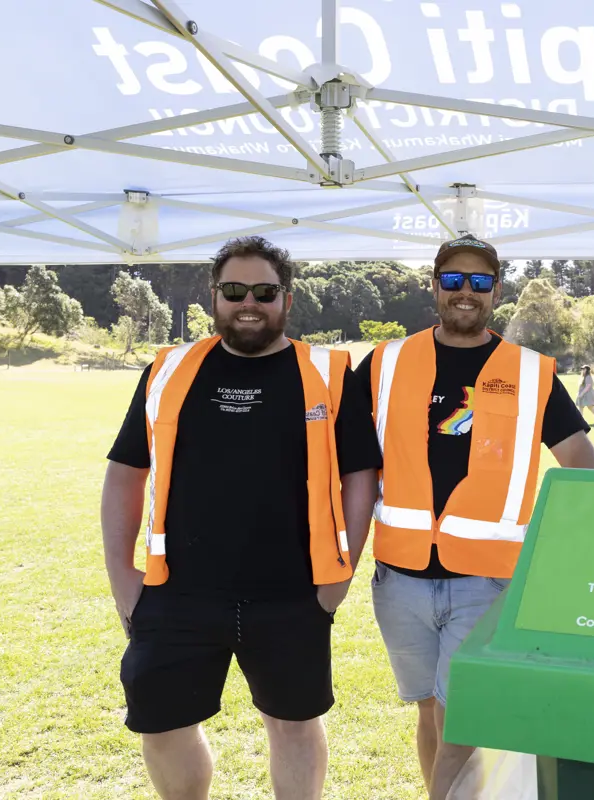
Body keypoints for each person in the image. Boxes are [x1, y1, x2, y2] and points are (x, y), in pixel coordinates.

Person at [101, 236, 380, 800]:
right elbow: (126, 471)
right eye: (234, 290)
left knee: (294, 724)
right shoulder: (168, 368)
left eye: (263, 291)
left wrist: (341, 572)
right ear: (214, 297)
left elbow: (361, 475)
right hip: (176, 591)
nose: (248, 302)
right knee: (160, 722)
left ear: (287, 299)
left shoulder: (329, 372)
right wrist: (120, 575)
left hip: (292, 593)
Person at [353, 234, 594, 799]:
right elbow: (350, 462)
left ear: (496, 292)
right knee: (430, 714)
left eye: (480, 282)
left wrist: (562, 552)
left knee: (460, 725)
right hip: (400, 580)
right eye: (454, 280)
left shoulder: (532, 372)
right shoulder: (385, 363)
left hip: (486, 581)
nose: (466, 292)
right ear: (434, 285)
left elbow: (582, 465)